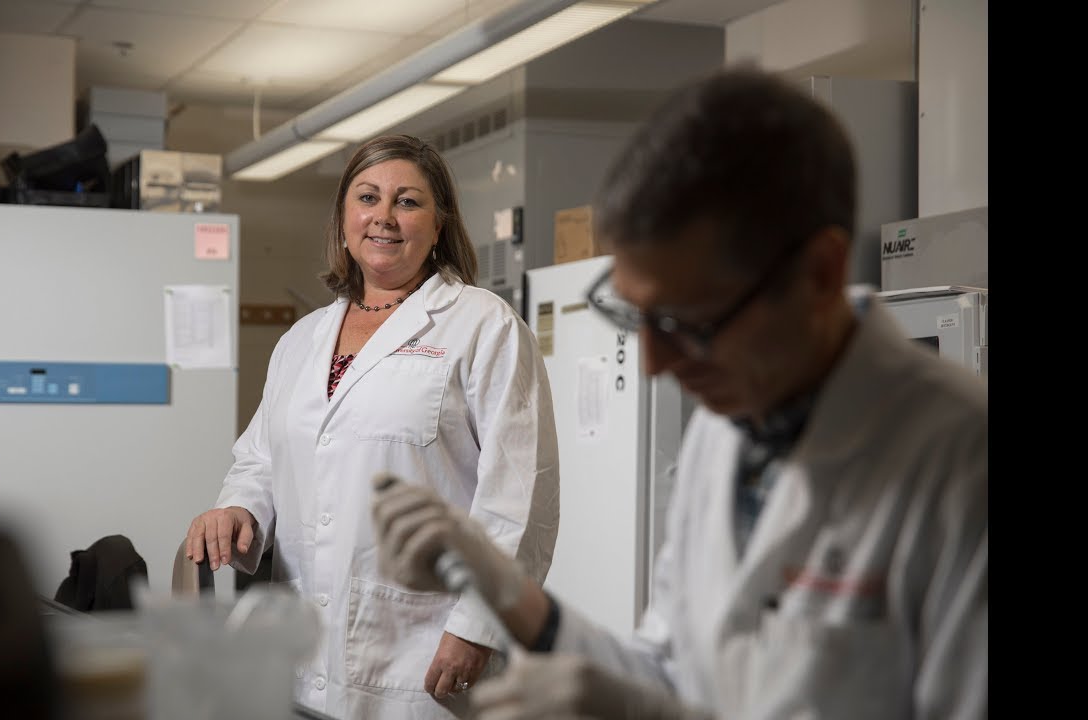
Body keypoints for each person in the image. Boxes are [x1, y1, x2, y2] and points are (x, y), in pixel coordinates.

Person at [370, 65, 987, 719]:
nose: (654, 363)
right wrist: (507, 593)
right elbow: (666, 671)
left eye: (687, 322)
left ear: (820, 274)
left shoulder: (961, 465)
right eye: (634, 316)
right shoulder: (728, 429)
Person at [185, 134, 560, 719]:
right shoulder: (301, 339)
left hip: (424, 653)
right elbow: (261, 458)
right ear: (343, 218)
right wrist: (239, 509)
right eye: (367, 198)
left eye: (408, 202)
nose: (384, 216)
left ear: (439, 225)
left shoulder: (483, 326)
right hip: (299, 647)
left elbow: (520, 496)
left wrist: (478, 627)